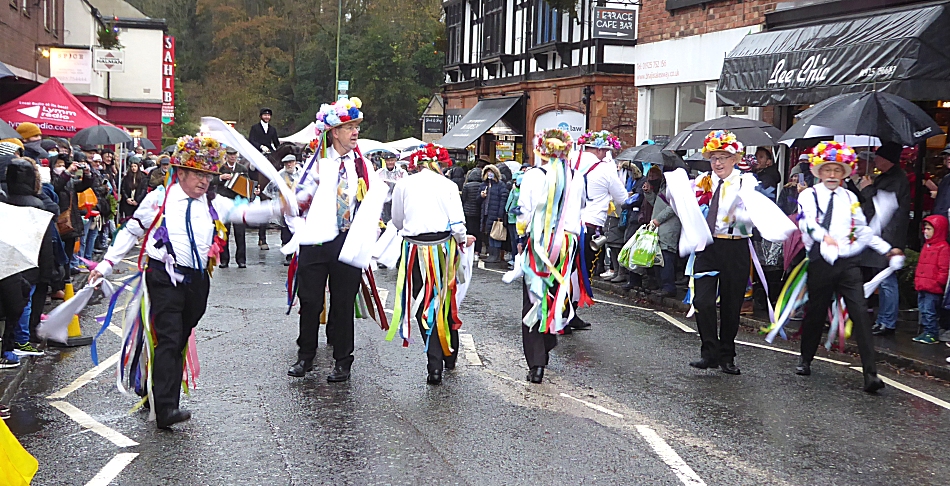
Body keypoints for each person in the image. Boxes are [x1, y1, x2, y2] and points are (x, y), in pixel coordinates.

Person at [89, 135, 281, 429]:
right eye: (198, 174)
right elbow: (131, 231)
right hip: (163, 275)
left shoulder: (213, 202)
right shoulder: (159, 199)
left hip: (197, 279)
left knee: (179, 337)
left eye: (208, 175)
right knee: (169, 337)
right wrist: (106, 264)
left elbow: (246, 212)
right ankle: (166, 408)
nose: (204, 181)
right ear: (180, 173)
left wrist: (282, 207)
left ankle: (153, 387)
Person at [675, 130, 796, 375]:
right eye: (714, 158)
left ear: (734, 159)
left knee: (732, 305)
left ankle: (727, 356)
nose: (717, 163)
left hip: (735, 246)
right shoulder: (702, 181)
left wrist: (740, 216)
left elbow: (756, 215)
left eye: (723, 157)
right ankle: (708, 353)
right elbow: (687, 208)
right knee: (702, 301)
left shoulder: (746, 183)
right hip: (708, 247)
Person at [286, 97, 387, 383]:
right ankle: (305, 356)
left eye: (356, 127)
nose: (355, 132)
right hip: (316, 242)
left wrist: (369, 236)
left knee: (343, 304)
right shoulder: (316, 163)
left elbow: (373, 204)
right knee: (310, 301)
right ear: (334, 133)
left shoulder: (363, 166)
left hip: (348, 240)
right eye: (349, 127)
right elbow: (296, 203)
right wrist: (299, 230)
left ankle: (343, 361)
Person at [795, 141, 901, 393]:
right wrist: (824, 237)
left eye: (837, 170)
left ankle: (870, 375)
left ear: (844, 173)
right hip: (821, 261)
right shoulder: (809, 195)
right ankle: (805, 358)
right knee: (815, 313)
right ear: (819, 171)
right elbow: (806, 222)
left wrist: (886, 249)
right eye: (827, 170)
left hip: (848, 263)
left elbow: (862, 230)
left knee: (861, 314)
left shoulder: (850, 197)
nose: (832, 175)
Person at [388, 143, 473, 384]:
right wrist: (462, 241)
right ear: (440, 164)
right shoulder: (448, 185)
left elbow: (397, 220)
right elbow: (457, 224)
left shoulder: (404, 184)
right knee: (444, 301)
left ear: (417, 164)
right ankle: (448, 354)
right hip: (442, 249)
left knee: (421, 304)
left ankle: (436, 362)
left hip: (414, 250)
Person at [515, 128, 584, 384]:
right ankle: (547, 343)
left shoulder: (532, 175)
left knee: (534, 297)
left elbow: (524, 211)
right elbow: (580, 209)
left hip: (540, 243)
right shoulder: (576, 176)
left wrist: (521, 239)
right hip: (566, 245)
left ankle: (537, 362)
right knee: (555, 295)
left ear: (542, 151)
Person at [572, 131, 627, 330]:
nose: (606, 155)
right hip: (589, 226)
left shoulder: (571, 162)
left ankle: (561, 312)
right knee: (582, 271)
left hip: (567, 226)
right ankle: (568, 314)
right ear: (599, 150)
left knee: (566, 270)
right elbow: (622, 198)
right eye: (605, 151)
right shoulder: (605, 169)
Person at [6, 158, 57, 357]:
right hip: (32, 260)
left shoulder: (5, 200)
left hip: (10, 259)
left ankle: (14, 340)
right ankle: (22, 340)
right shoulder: (37, 204)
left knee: (13, 302)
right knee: (25, 302)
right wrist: (48, 269)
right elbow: (44, 241)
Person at [859, 142, 910, 337]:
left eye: (878, 157)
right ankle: (882, 319)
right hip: (880, 235)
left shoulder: (896, 179)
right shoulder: (886, 177)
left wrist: (868, 188)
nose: (875, 161)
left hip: (888, 236)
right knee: (881, 280)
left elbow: (884, 206)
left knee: (887, 279)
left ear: (887, 160)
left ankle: (888, 322)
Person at [212, 146, 252, 268]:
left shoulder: (242, 168)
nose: (232, 156)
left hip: (237, 202)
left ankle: (241, 260)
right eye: (230, 154)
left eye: (234, 154)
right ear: (226, 156)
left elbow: (248, 184)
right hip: (223, 202)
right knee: (224, 232)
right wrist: (220, 177)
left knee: (240, 233)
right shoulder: (220, 168)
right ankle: (224, 260)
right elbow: (211, 181)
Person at [913, 215, 949, 344]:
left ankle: (932, 333)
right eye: (925, 229)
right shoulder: (927, 246)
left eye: (929, 229)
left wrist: (938, 282)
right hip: (923, 284)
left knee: (930, 311)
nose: (926, 232)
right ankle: (927, 331)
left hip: (933, 286)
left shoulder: (943, 247)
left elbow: (943, 268)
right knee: (923, 310)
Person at [650, 174, 682, 298]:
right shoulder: (665, 186)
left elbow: (673, 207)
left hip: (668, 227)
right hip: (659, 227)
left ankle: (669, 287)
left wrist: (658, 220)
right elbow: (657, 204)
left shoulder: (676, 188)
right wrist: (648, 193)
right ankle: (662, 286)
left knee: (666, 257)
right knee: (659, 257)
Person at [479, 164, 509, 263]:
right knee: (488, 233)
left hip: (495, 213)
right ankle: (491, 254)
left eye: (491, 172)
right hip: (486, 213)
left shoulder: (500, 185)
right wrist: (481, 196)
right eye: (487, 172)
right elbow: (478, 200)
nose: (489, 174)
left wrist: (500, 214)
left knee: (496, 233)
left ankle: (495, 255)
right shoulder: (484, 185)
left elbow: (503, 199)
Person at [276, 153, 299, 264]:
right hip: (285, 208)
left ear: (295, 163)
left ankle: (298, 254)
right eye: (286, 163)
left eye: (290, 162)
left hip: (299, 207)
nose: (289, 165)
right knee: (286, 232)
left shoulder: (302, 173)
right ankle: (289, 256)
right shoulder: (280, 175)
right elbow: (272, 189)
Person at [376, 152, 407, 222]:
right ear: (385, 161)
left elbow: (405, 186)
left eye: (392, 160)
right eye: (388, 160)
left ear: (395, 160)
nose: (390, 162)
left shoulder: (402, 172)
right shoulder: (379, 172)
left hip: (398, 201)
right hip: (384, 202)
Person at [461, 168, 484, 256]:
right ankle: (477, 251)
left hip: (468, 211)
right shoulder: (482, 185)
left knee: (469, 230)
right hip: (478, 212)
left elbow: (463, 198)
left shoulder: (467, 186)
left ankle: (469, 249)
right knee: (478, 232)